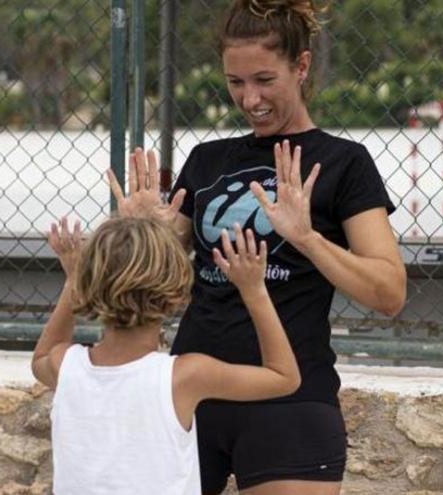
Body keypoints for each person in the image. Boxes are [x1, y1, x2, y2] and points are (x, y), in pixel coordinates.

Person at [106, 1, 407, 493]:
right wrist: (142, 232)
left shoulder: (343, 163)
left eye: (265, 80)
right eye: (235, 83)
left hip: (289, 398)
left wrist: (307, 238)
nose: (250, 99)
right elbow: (152, 282)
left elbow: (389, 292)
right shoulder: (208, 160)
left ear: (302, 67)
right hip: (187, 396)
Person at [31, 216, 301, 495]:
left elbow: (40, 359)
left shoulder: (65, 364)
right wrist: (254, 290)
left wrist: (73, 278)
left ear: (87, 286)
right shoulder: (185, 375)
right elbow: (285, 377)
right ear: (177, 295)